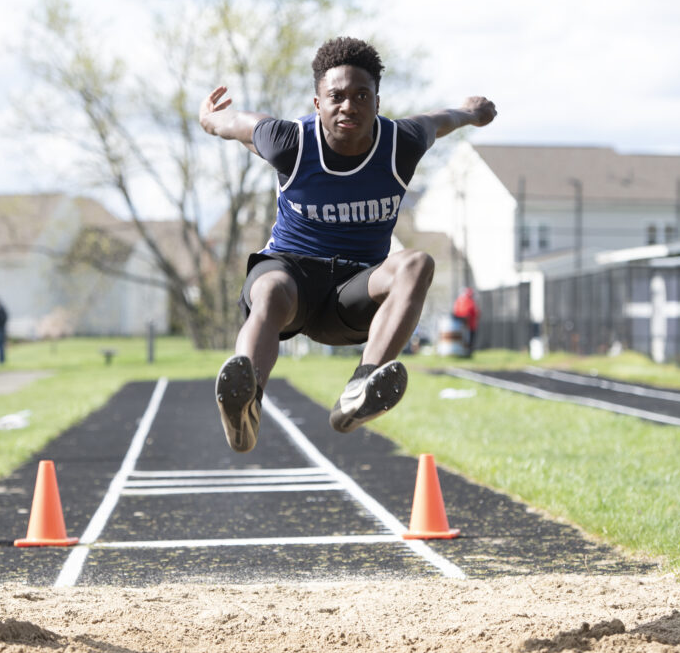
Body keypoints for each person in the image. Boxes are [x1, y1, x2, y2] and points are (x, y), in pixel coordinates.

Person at [199, 36, 496, 452]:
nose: (349, 106)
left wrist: (471, 113)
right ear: (317, 104)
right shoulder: (291, 141)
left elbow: (440, 119)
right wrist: (209, 118)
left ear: (377, 101)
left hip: (352, 295)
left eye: (361, 96)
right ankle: (245, 402)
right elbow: (236, 124)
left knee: (417, 263)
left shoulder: (401, 142)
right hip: (292, 282)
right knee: (269, 288)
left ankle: (361, 387)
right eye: (336, 97)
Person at [452, 287, 479, 354]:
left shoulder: (459, 300)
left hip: (462, 325)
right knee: (468, 339)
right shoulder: (469, 301)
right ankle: (467, 352)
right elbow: (473, 312)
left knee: (464, 339)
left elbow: (456, 311)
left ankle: (464, 351)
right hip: (468, 325)